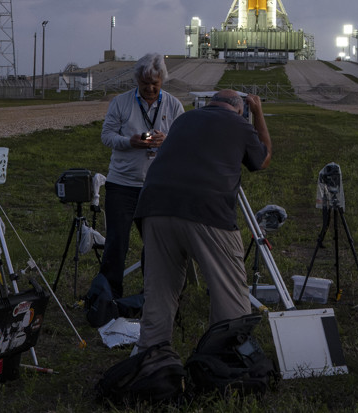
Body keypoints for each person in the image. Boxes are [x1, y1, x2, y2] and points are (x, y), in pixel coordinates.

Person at [134, 90, 271, 351]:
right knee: (229, 293)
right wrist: (259, 113)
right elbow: (261, 160)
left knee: (159, 293)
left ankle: (150, 359)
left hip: (154, 207)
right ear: (239, 108)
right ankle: (225, 359)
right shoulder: (239, 123)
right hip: (207, 211)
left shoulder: (184, 120)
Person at [98, 53, 184, 298]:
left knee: (156, 245)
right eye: (145, 83)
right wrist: (129, 142)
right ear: (136, 80)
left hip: (157, 186)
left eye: (154, 84)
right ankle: (110, 296)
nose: (149, 88)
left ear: (162, 81)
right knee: (116, 243)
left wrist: (166, 140)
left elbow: (182, 141)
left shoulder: (174, 105)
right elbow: (107, 136)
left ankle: (153, 294)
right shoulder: (120, 102)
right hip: (122, 184)